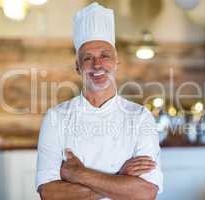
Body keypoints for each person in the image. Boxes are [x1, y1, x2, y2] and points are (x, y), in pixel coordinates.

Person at [35, 2, 163, 200]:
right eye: (88, 58)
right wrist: (120, 179)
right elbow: (50, 194)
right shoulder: (56, 117)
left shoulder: (140, 117)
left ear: (116, 62)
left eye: (105, 55)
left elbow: (145, 193)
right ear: (78, 67)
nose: (97, 65)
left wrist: (78, 174)